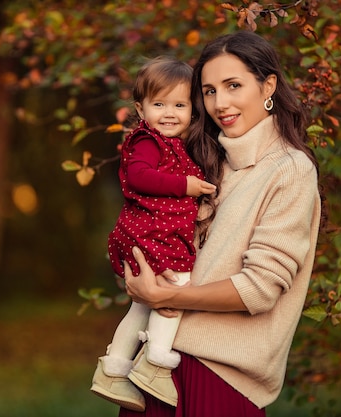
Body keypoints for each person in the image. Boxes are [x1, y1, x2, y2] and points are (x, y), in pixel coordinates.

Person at [118, 31, 325, 417]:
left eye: (233, 86)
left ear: (268, 85)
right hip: (155, 367)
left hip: (220, 381)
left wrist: (166, 297)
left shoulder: (290, 170)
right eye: (209, 91)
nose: (220, 103)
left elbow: (258, 290)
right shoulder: (205, 162)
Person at [91, 56, 217, 412]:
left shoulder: (176, 144)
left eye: (179, 105)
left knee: (142, 305)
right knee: (176, 290)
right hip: (151, 234)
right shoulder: (148, 141)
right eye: (159, 104)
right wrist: (186, 185)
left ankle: (114, 369)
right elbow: (139, 177)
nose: (169, 113)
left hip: (151, 234)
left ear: (193, 110)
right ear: (140, 109)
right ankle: (156, 365)